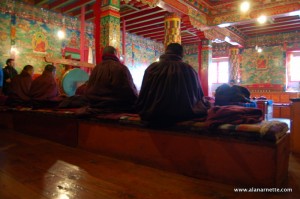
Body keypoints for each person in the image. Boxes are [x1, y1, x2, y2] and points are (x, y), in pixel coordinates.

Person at [136, 43, 209, 123]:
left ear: (166, 52)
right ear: (181, 54)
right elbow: (198, 96)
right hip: (183, 114)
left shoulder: (152, 68)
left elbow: (143, 96)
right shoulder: (188, 69)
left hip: (152, 114)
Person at [84, 46, 138, 112]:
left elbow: (88, 90)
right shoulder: (121, 68)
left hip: (96, 105)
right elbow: (130, 91)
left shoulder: (96, 68)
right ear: (115, 53)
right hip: (118, 107)